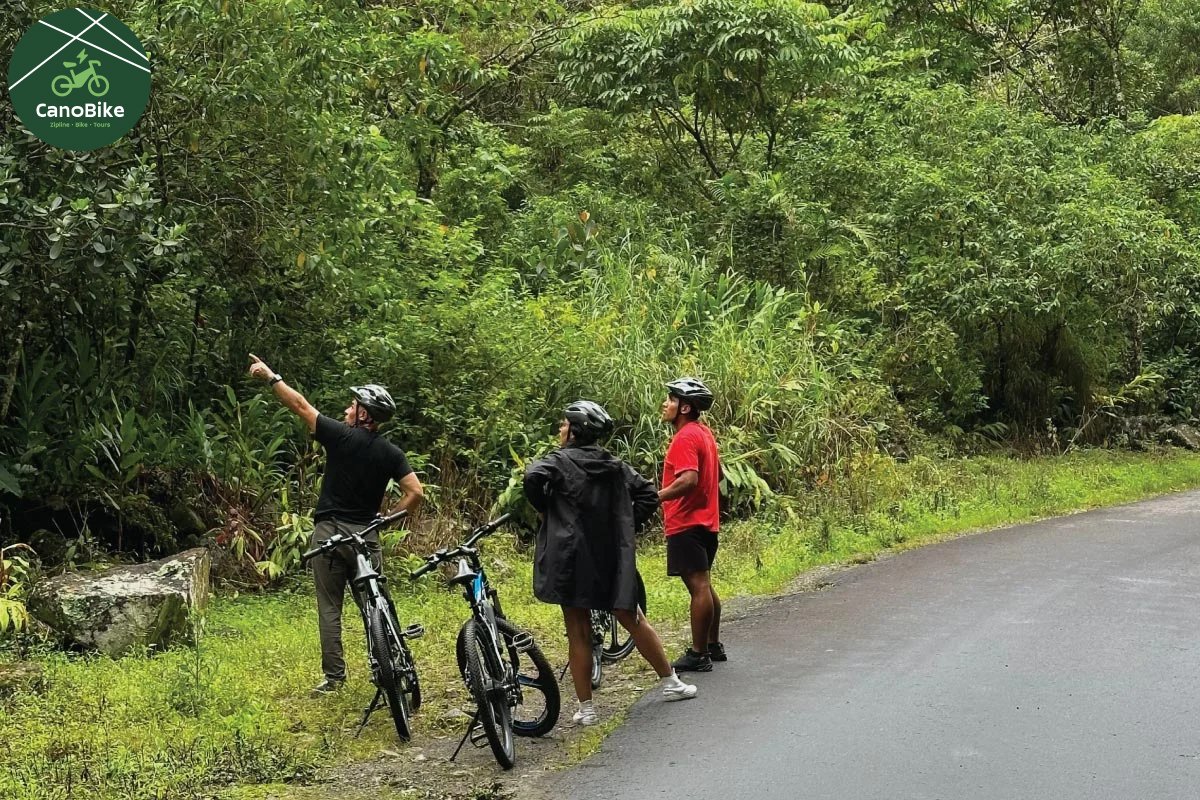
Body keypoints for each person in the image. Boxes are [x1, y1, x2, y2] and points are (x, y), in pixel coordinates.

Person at [247, 354, 424, 694]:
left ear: (364, 415)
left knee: (330, 607)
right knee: (376, 601)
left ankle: (334, 678)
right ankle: (393, 663)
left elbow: (300, 405)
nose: (347, 409)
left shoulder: (341, 436)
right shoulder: (391, 453)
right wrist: (387, 519)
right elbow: (415, 492)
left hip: (329, 534)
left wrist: (270, 376)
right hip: (366, 535)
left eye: (353, 405)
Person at [524, 400, 697, 726]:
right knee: (632, 616)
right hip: (609, 554)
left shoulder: (557, 462)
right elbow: (648, 495)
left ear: (574, 431)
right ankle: (671, 682)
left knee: (578, 630)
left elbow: (532, 475)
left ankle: (587, 710)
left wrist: (545, 507)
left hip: (570, 557)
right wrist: (624, 524)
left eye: (565, 424)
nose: (561, 428)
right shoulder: (614, 465)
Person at [659, 377, 724, 672]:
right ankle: (713, 644)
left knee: (698, 587)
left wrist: (657, 496)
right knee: (704, 586)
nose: (666, 404)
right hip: (707, 523)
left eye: (671, 400)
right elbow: (718, 474)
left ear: (684, 407)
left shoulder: (684, 437)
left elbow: (688, 479)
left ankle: (699, 654)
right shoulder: (704, 433)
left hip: (686, 523)